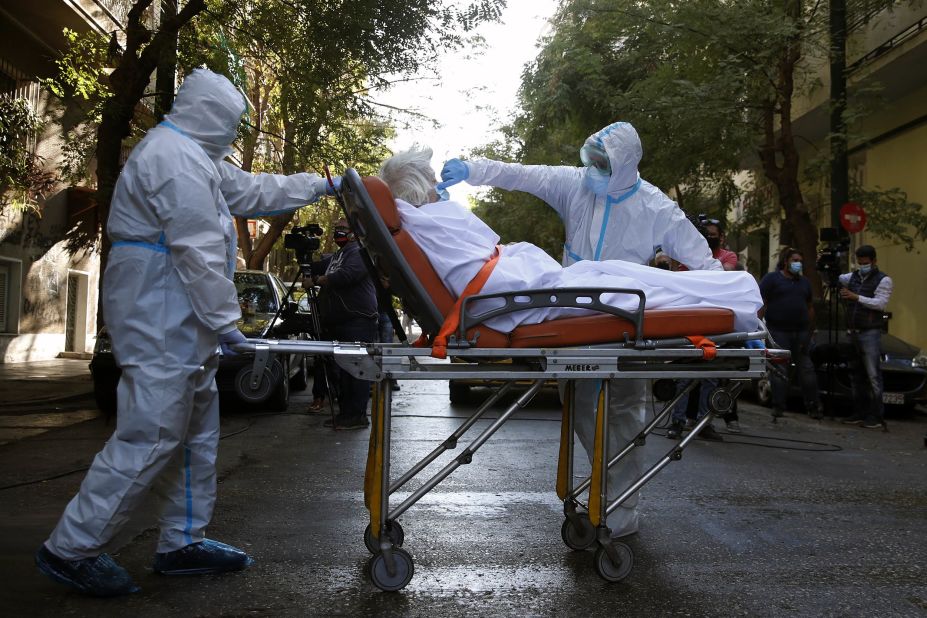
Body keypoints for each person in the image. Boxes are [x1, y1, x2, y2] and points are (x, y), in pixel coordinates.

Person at [34, 69, 338, 597]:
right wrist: (226, 322)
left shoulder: (197, 157)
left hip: (179, 320)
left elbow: (254, 190)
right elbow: (196, 250)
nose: (234, 134)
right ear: (212, 117)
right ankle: (72, 548)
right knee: (150, 434)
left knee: (197, 434)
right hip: (158, 317)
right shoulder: (171, 159)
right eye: (232, 123)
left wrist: (323, 183)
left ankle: (182, 542)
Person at [385, 142, 763, 539]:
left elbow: (697, 254)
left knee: (626, 403)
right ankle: (604, 494)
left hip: (607, 317)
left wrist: (716, 280)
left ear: (624, 165)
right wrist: (473, 170)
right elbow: (521, 174)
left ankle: (620, 511)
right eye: (593, 161)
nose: (595, 168)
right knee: (590, 398)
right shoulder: (574, 183)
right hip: (571, 303)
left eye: (604, 164)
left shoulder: (656, 207)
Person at [310, 219, 378, 429]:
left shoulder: (358, 251)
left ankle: (357, 415)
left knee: (356, 370)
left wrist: (318, 280)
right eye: (335, 228)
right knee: (345, 370)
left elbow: (347, 275)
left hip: (358, 319)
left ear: (354, 232)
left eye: (342, 229)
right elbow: (319, 266)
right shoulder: (339, 255)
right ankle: (346, 413)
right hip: (342, 320)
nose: (338, 232)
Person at [758, 247, 823, 420]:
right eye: (794, 260)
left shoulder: (804, 283)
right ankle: (778, 406)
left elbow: (810, 307)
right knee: (780, 370)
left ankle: (813, 406)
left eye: (800, 261)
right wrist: (757, 326)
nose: (797, 264)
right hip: (778, 331)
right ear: (785, 261)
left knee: (807, 369)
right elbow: (762, 303)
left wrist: (811, 330)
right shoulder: (772, 279)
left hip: (801, 332)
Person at [839, 245, 893, 429]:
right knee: (855, 374)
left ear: (874, 261)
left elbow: (880, 303)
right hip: (853, 331)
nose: (862, 266)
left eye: (866, 263)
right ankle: (859, 412)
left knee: (873, 375)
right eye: (860, 262)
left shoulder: (883, 280)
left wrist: (856, 297)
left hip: (870, 332)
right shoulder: (852, 277)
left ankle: (876, 415)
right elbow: (837, 277)